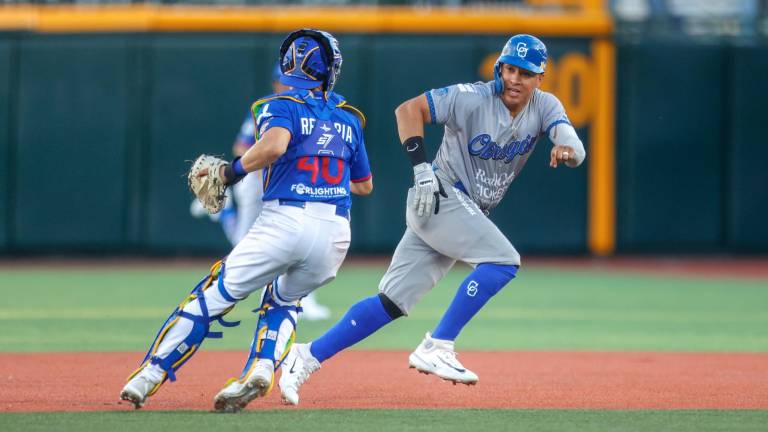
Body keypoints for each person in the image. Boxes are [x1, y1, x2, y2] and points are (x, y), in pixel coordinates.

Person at [277, 34, 586, 406]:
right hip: (440, 195)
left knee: (391, 302)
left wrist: (568, 148)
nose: (515, 78)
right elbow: (408, 110)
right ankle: (438, 344)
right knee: (503, 262)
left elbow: (570, 140)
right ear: (499, 68)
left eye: (525, 72)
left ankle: (306, 355)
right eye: (509, 69)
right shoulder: (472, 97)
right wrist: (421, 166)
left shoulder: (544, 105)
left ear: (540, 77)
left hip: (460, 210)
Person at [120, 28, 372, 413]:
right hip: (335, 231)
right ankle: (261, 367)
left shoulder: (278, 105)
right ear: (331, 70)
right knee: (285, 301)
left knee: (213, 295)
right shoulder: (349, 119)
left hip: (285, 219)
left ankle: (149, 375)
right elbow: (364, 185)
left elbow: (273, 146)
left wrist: (229, 174)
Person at [191, 63, 331, 321]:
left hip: (288, 184)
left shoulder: (306, 108)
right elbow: (241, 147)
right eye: (283, 81)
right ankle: (218, 291)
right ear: (275, 83)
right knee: (244, 243)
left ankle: (303, 299)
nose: (288, 85)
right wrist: (248, 172)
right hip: (257, 181)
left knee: (295, 241)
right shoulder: (267, 106)